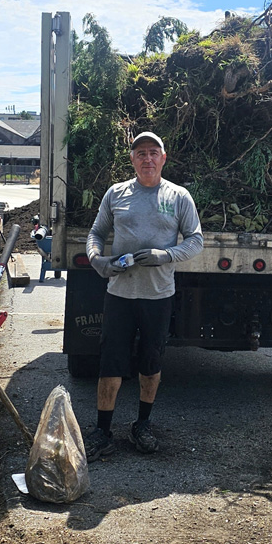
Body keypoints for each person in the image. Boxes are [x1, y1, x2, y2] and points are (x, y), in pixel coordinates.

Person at [84, 131, 204, 461]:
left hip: (158, 295)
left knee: (151, 364)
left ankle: (143, 425)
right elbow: (96, 233)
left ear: (163, 158)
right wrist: (97, 260)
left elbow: (195, 240)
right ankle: (102, 431)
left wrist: (165, 255)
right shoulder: (116, 193)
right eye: (140, 153)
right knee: (110, 363)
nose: (147, 158)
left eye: (153, 152)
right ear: (133, 160)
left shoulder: (178, 196)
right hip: (120, 294)